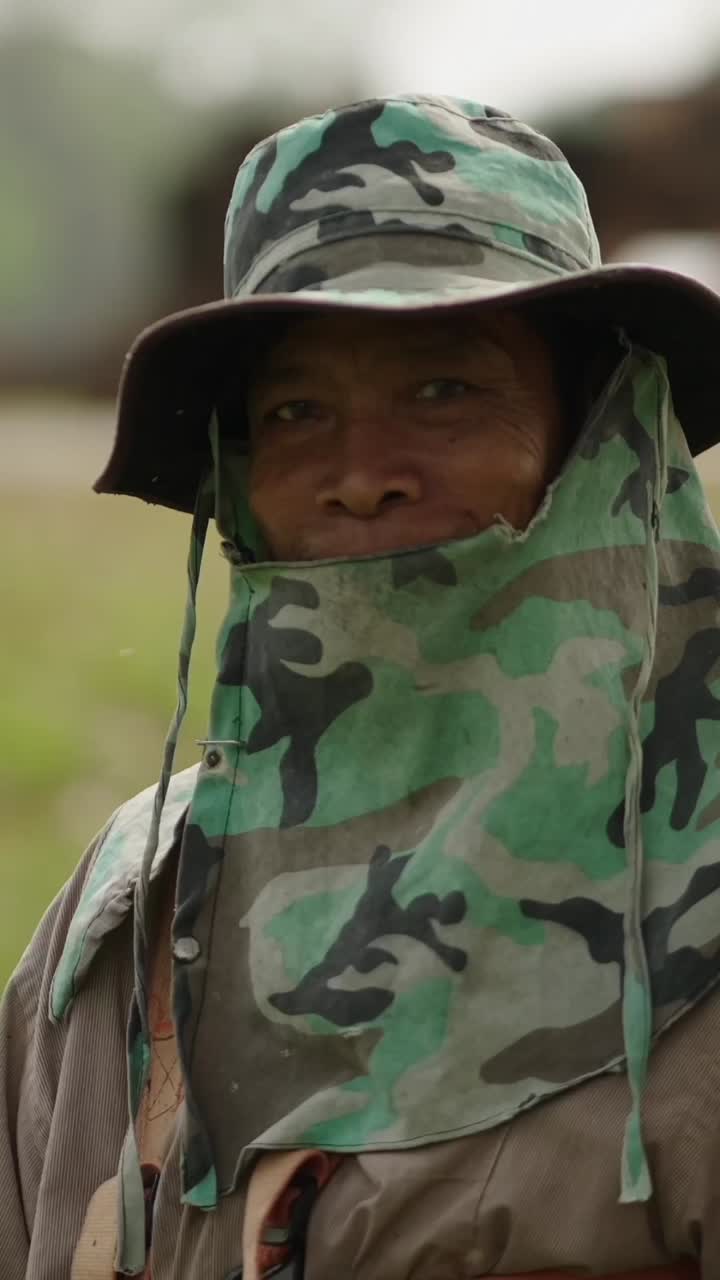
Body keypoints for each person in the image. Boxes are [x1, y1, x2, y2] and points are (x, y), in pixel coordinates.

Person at [3, 93, 720, 1280]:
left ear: (600, 437)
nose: (363, 474)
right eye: (296, 411)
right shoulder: (127, 916)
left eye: (444, 388)